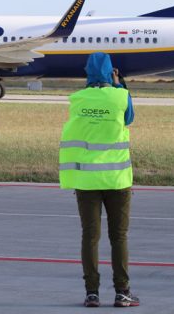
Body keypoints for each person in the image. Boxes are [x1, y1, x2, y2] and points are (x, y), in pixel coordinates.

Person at [59, 52, 139, 308]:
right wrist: (118, 85)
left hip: (86, 181)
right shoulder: (120, 96)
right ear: (110, 72)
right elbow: (129, 118)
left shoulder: (77, 99)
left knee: (90, 237)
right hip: (116, 180)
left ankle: (91, 293)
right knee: (119, 237)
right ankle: (122, 292)